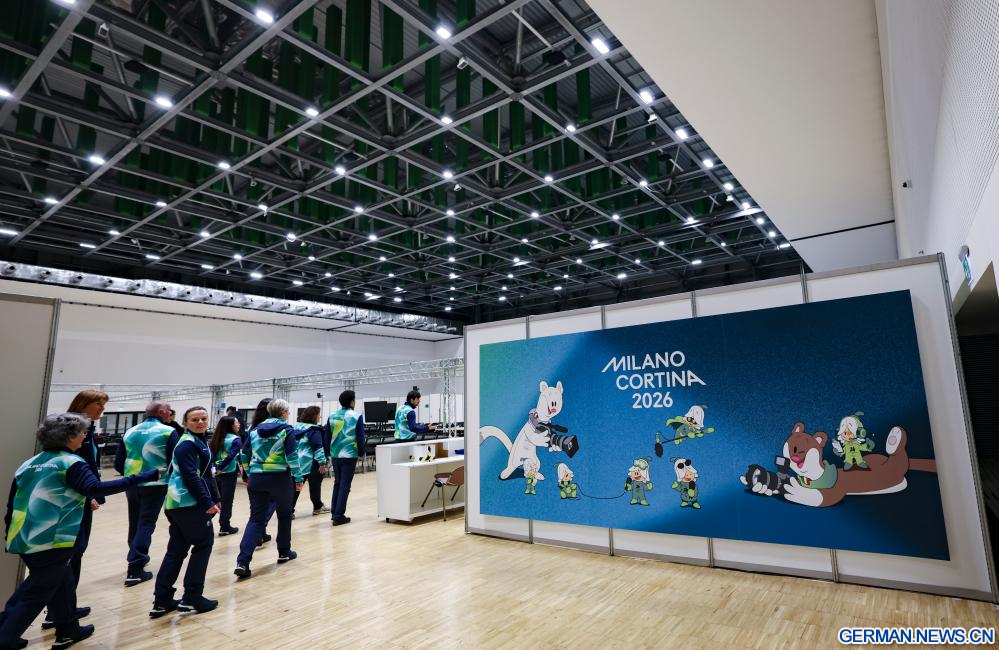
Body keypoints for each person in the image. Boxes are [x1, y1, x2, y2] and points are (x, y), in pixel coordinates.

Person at [0, 413, 159, 650]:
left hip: (23, 535)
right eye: (83, 433)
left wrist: (9, 531)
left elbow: (13, 503)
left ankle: (68, 630)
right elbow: (95, 488)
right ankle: (5, 637)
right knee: (37, 591)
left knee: (61, 583)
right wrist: (143, 477)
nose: (85, 437)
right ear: (70, 436)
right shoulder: (71, 463)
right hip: (52, 539)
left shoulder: (30, 463)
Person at [39, 390, 108, 631]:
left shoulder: (88, 429)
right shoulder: (72, 429)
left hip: (84, 495)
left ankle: (66, 607)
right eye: (98, 404)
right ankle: (58, 613)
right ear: (84, 404)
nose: (102, 409)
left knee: (75, 556)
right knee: (69, 556)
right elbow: (69, 466)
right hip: (74, 499)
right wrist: (88, 495)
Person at [150, 407, 220, 619]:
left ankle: (162, 600)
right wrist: (207, 501)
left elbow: (206, 473)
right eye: (194, 419)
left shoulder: (197, 441)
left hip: (178, 504)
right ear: (185, 423)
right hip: (187, 503)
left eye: (203, 418)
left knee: (177, 550)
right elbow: (191, 476)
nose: (200, 422)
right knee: (203, 544)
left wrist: (215, 496)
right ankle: (192, 597)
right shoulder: (187, 444)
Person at [234, 399, 302, 579]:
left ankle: (242, 562)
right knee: (284, 515)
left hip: (257, 479)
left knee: (256, 520)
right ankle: (284, 552)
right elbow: (292, 456)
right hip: (280, 479)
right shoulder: (287, 430)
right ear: (284, 413)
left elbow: (244, 454)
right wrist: (299, 477)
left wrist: (249, 473)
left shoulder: (255, 430)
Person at [114, 400, 179, 586]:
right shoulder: (168, 431)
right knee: (146, 523)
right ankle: (135, 567)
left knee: (135, 521)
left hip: (132, 482)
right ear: (161, 412)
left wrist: (131, 475)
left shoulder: (130, 431)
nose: (170, 414)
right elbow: (174, 461)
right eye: (169, 411)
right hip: (155, 484)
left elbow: (119, 462)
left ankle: (136, 554)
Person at [327, 391, 365, 526]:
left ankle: (334, 512)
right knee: (345, 485)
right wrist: (361, 452)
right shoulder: (357, 416)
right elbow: (360, 437)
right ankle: (339, 515)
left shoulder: (332, 416)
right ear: (352, 402)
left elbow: (327, 436)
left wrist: (328, 453)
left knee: (337, 483)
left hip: (335, 454)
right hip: (349, 455)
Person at [291, 406, 329, 517]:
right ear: (314, 416)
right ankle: (318, 507)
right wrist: (322, 463)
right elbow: (318, 447)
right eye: (318, 415)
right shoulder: (314, 430)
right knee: (315, 485)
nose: (319, 417)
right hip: (311, 463)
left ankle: (288, 510)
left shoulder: (295, 428)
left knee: (296, 487)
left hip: (296, 462)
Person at [245, 399, 273, 546]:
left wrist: (246, 472)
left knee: (256, 506)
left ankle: (260, 534)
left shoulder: (253, 428)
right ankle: (259, 531)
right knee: (272, 501)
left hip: (254, 471)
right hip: (273, 471)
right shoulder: (278, 427)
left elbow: (245, 451)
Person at [209, 416, 241, 536]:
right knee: (227, 501)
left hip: (215, 474)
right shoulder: (235, 439)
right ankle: (225, 526)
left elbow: (210, 456)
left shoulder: (215, 438)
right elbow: (231, 456)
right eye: (237, 423)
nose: (239, 425)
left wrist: (215, 468)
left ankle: (203, 521)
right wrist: (221, 468)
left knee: (215, 499)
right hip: (228, 474)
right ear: (231, 426)